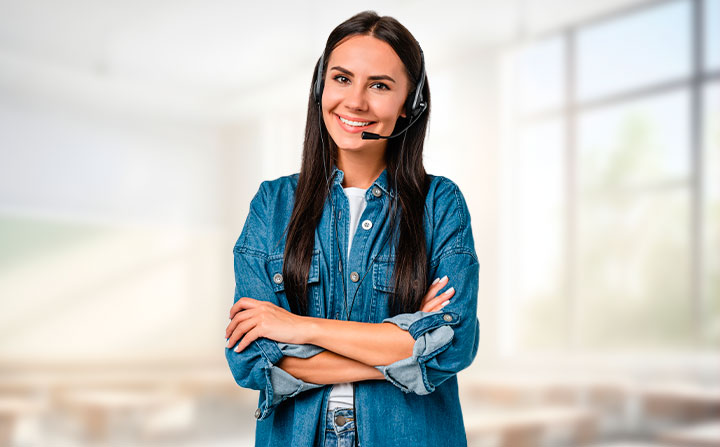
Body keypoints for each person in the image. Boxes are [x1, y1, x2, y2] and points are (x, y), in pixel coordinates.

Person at [224, 10, 479, 447]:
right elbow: (251, 361)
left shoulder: (440, 204)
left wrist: (301, 328)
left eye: (379, 85)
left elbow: (453, 343)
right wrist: (402, 347)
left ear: (409, 106)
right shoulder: (272, 204)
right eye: (342, 79)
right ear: (322, 86)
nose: (356, 102)